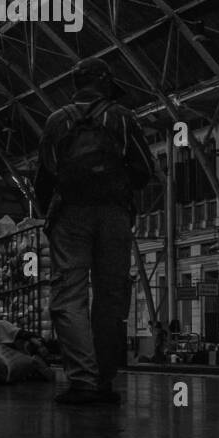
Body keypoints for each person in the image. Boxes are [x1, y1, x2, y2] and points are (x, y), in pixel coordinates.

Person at [34, 57, 156, 405]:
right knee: (111, 294)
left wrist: (53, 212)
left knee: (69, 295)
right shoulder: (121, 117)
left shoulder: (57, 121)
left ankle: (82, 380)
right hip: (114, 215)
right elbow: (145, 169)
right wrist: (115, 189)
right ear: (105, 84)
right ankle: (103, 378)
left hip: (70, 213)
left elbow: (43, 178)